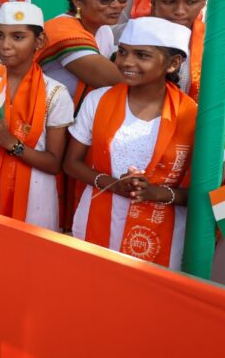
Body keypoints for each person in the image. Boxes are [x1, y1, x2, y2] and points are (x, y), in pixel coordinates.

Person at [63, 17, 196, 269]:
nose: (126, 62)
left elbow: (205, 194)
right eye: (122, 52)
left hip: (160, 231)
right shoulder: (98, 100)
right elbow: (71, 163)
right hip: (98, 219)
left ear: (173, 63)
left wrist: (155, 192)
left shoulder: (191, 115)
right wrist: (113, 184)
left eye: (142, 55)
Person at [0, 2, 73, 230]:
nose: (5, 45)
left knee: (26, 258)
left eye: (18, 37)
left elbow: (53, 163)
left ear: (38, 42)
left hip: (34, 193)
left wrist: (12, 144)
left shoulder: (54, 93)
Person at [35, 0, 125, 109]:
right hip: (40, 122)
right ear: (77, 0)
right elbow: (116, 80)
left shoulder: (104, 30)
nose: (117, 5)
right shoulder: (62, 30)